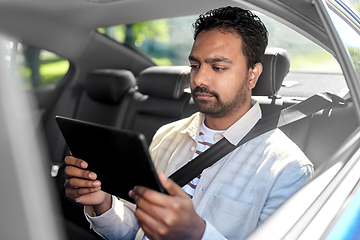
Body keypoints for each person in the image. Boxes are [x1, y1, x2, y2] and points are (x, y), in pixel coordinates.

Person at [64, 6, 314, 240]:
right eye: (195, 65)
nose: (199, 78)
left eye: (217, 67)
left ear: (252, 75)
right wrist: (101, 202)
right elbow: (136, 231)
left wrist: (196, 232)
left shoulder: (287, 169)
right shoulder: (167, 135)